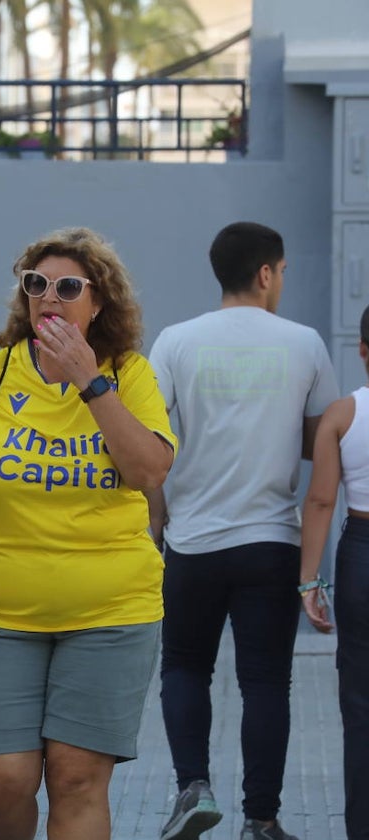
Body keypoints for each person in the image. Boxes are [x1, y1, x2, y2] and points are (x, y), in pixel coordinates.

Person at [0, 227, 175, 840]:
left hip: (111, 611)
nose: (49, 298)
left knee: (75, 779)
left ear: (98, 303)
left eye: (68, 287)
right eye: (35, 285)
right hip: (0, 612)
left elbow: (148, 471)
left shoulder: (129, 376)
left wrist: (92, 383)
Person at [149, 222, 337, 840]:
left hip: (193, 540)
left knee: (182, 667)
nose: (281, 282)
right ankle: (262, 818)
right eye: (281, 272)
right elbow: (323, 444)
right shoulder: (305, 343)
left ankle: (193, 788)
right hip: (271, 542)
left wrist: (157, 526)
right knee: (265, 682)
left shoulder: (176, 343)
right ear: (265, 273)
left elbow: (151, 447)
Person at [299, 303, 369, 840]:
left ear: (363, 352)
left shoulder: (344, 414)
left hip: (361, 559)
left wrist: (309, 583)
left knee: (360, 705)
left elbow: (321, 501)